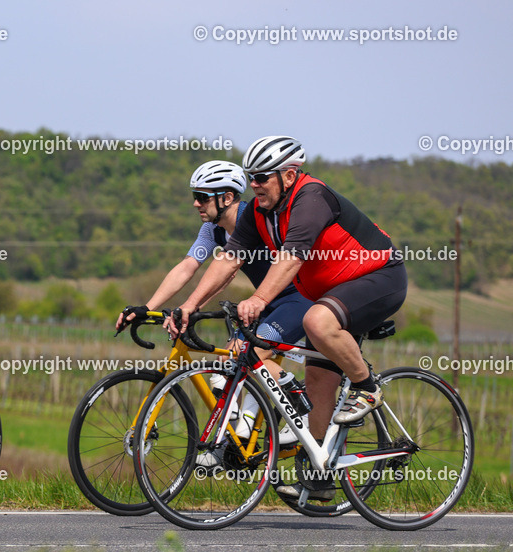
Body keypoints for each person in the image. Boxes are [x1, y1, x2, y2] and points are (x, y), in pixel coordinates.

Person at [173, 136, 407, 500]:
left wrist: (260, 298)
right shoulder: (257, 212)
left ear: (289, 174)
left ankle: (367, 387)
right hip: (329, 294)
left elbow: (293, 256)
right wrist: (189, 304)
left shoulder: (310, 199)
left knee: (317, 321)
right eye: (251, 177)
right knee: (317, 380)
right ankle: (320, 473)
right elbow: (229, 259)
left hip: (378, 277)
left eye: (262, 177)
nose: (254, 184)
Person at [117, 160, 313, 453]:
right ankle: (236, 441)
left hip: (299, 297)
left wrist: (188, 306)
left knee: (245, 356)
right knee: (230, 360)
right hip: (266, 301)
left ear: (228, 197)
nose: (196, 203)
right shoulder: (213, 230)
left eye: (203, 197)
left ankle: (306, 409)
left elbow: (228, 271)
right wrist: (148, 307)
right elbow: (188, 266)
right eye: (194, 196)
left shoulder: (253, 218)